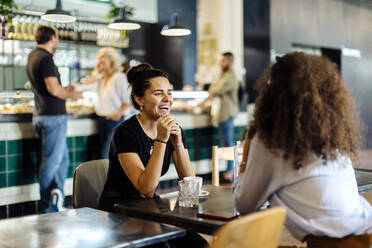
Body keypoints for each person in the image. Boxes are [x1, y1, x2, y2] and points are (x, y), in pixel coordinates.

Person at [233, 52, 372, 248]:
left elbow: (244, 205)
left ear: (273, 93)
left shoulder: (272, 142)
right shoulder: (331, 139)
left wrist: (248, 153)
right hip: (363, 235)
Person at [98, 63, 207, 248]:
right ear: (140, 99)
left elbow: (190, 185)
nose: (167, 99)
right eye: (158, 93)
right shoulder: (124, 133)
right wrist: (162, 141)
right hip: (119, 210)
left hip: (149, 209)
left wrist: (178, 144)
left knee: (198, 244)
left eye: (170, 93)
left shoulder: (174, 129)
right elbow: (146, 189)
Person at [26, 26, 82, 213]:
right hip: (53, 117)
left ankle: (55, 198)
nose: (57, 41)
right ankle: (45, 207)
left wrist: (65, 88)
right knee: (51, 161)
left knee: (62, 159)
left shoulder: (33, 56)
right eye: (56, 38)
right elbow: (54, 89)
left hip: (42, 114)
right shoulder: (46, 58)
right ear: (51, 38)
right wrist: (72, 94)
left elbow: (49, 87)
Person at [82, 47, 132, 158]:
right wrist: (96, 72)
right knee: (108, 155)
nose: (99, 61)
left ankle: (110, 176)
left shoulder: (119, 77)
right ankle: (111, 175)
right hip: (102, 120)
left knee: (105, 156)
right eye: (98, 58)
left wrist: (118, 113)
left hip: (114, 121)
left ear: (111, 60)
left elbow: (128, 100)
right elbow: (85, 88)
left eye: (102, 58)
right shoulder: (102, 78)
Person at [207, 52, 239, 181]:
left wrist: (214, 86)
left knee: (228, 143)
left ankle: (230, 172)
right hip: (222, 114)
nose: (221, 63)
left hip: (227, 114)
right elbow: (213, 88)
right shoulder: (223, 75)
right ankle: (229, 171)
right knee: (226, 142)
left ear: (230, 61)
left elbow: (215, 90)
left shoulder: (230, 76)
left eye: (223, 61)